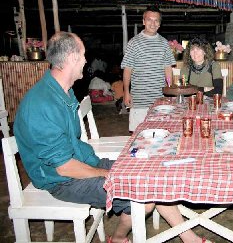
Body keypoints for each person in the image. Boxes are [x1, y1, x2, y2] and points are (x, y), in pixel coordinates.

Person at [13, 32, 207, 243]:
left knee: (152, 171)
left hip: (84, 162)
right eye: (83, 55)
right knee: (144, 195)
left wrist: (105, 170)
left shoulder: (63, 91)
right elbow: (63, 167)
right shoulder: (43, 103)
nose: (86, 61)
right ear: (70, 58)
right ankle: (120, 237)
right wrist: (107, 174)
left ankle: (189, 239)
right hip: (61, 180)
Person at [121, 6, 174, 132]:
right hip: (139, 99)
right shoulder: (133, 43)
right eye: (149, 20)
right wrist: (126, 92)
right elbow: (127, 70)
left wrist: (170, 89)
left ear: (159, 24)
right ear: (143, 21)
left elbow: (167, 69)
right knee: (139, 134)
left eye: (156, 20)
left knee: (161, 133)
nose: (153, 23)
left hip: (159, 99)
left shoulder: (164, 43)